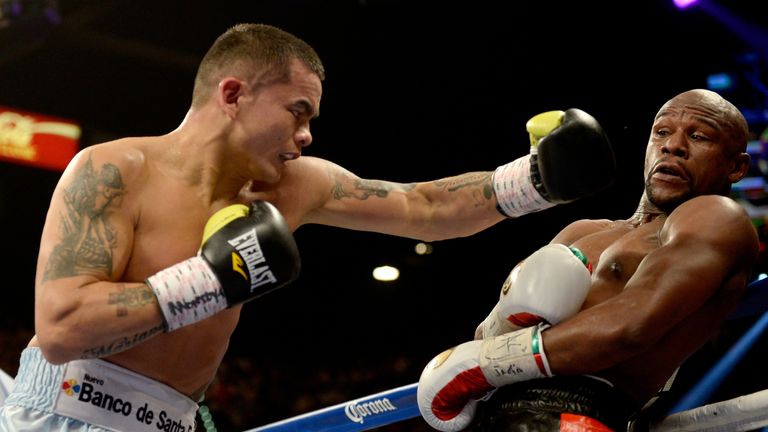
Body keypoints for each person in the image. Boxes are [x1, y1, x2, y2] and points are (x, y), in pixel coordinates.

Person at [0, 23, 615, 431]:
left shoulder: (292, 185)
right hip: (62, 411)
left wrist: (533, 181)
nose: (306, 135)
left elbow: (423, 208)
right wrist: (209, 280)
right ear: (234, 93)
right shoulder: (114, 169)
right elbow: (61, 329)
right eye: (297, 112)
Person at [417, 88, 760, 432]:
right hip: (497, 412)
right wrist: (493, 338)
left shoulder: (717, 217)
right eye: (662, 132)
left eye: (699, 136)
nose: (673, 146)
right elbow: (488, 334)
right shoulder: (581, 230)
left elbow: (630, 325)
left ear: (736, 166)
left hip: (580, 412)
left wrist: (484, 363)